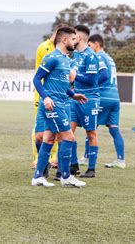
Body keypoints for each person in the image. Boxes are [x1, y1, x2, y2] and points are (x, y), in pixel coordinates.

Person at [31, 26, 88, 187]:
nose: (75, 42)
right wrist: (46, 97)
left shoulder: (65, 58)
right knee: (69, 137)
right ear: (64, 40)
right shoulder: (52, 58)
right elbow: (36, 79)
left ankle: (38, 177)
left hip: (63, 102)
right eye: (73, 39)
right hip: (53, 104)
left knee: (49, 139)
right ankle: (65, 176)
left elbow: (61, 84)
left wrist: (73, 95)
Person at [32, 24, 68, 171]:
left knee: (60, 133)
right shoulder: (44, 48)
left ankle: (56, 162)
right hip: (42, 96)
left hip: (60, 98)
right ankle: (39, 160)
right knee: (40, 133)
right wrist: (44, 96)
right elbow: (38, 76)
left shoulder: (66, 52)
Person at [87, 34, 125, 169]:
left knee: (90, 127)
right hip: (115, 97)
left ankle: (86, 158)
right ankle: (121, 160)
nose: (88, 48)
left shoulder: (98, 57)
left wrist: (91, 84)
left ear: (96, 44)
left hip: (103, 96)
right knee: (114, 128)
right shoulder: (110, 58)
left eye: (89, 45)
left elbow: (104, 76)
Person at [69, 25, 102, 178]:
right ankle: (73, 165)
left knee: (91, 133)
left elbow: (92, 80)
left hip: (89, 99)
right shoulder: (74, 54)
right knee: (68, 132)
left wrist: (75, 76)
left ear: (80, 38)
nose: (71, 39)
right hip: (74, 99)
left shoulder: (91, 56)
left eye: (73, 37)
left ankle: (91, 169)